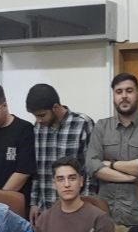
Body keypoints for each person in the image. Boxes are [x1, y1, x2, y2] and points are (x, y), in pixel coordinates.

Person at [85, 73, 138, 229]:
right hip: (105, 215)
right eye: (119, 92)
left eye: (129, 91)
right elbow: (92, 165)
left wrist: (111, 165)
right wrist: (131, 178)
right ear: (114, 96)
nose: (124, 96)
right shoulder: (101, 126)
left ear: (137, 94)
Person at [33, 156, 117, 232]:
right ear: (54, 184)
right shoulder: (44, 219)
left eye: (72, 178)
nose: (67, 184)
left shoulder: (100, 218)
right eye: (61, 179)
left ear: (81, 181)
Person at [26, 83, 94, 220]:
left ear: (56, 107)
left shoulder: (82, 123)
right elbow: (38, 170)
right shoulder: (38, 128)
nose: (38, 120)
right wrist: (34, 203)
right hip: (46, 209)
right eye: (35, 116)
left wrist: (87, 204)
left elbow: (90, 169)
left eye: (42, 115)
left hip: (76, 207)